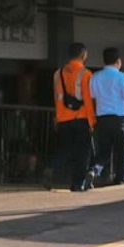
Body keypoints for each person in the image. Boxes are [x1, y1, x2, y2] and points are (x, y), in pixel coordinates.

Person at [86, 47, 124, 186]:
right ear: (118, 61)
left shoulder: (95, 77)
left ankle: (94, 171)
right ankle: (121, 181)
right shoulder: (123, 78)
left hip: (103, 120)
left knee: (104, 153)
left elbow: (93, 100)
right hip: (121, 121)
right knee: (123, 153)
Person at [47, 42, 96, 191]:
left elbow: (57, 98)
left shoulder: (57, 73)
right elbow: (87, 100)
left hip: (63, 119)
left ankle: (51, 169)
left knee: (64, 149)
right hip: (80, 119)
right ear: (84, 55)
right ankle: (77, 184)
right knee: (82, 153)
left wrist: (57, 117)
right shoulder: (85, 74)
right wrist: (92, 122)